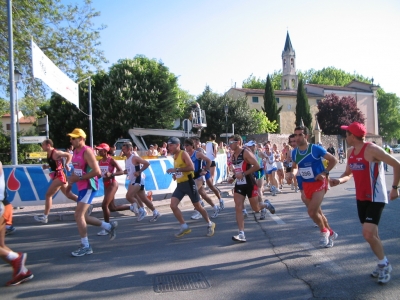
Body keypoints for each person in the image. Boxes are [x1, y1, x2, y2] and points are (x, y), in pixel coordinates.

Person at [330, 122, 400, 284]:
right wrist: (338, 180)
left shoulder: (372, 149)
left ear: (353, 136)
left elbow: (397, 165)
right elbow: (348, 173)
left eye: (346, 134)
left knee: (367, 233)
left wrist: (395, 188)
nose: (344, 136)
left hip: (376, 197)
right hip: (361, 198)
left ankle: (385, 264)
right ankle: (381, 262)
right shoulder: (350, 152)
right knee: (372, 235)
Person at [67, 128, 118, 257]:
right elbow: (76, 169)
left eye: (74, 138)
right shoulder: (75, 151)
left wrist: (78, 178)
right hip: (81, 186)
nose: (71, 140)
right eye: (71, 138)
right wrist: (70, 183)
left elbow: (97, 172)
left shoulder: (87, 151)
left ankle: (86, 246)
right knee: (83, 217)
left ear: (81, 139)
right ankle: (108, 226)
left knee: (78, 216)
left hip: (89, 186)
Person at [291, 126, 338, 248]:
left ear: (306, 136)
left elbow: (333, 160)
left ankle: (324, 232)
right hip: (306, 185)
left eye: (300, 134)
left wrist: (324, 172)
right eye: (295, 135)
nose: (297, 137)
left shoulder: (315, 149)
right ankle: (331, 233)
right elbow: (295, 167)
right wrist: (292, 173)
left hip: (319, 184)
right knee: (317, 212)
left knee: (311, 212)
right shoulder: (294, 152)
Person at [228, 135, 275, 243]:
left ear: (238, 142)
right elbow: (238, 169)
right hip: (239, 184)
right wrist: (233, 177)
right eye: (229, 142)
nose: (230, 145)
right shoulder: (233, 155)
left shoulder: (245, 153)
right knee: (238, 207)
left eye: (232, 142)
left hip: (250, 183)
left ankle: (266, 204)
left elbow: (257, 166)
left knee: (256, 208)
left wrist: (243, 174)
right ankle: (241, 234)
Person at [166, 137, 215, 238]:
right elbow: (180, 169)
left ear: (177, 145)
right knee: (173, 205)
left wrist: (176, 169)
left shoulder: (183, 154)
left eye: (171, 145)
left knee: (197, 206)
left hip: (189, 183)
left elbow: (191, 167)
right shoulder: (174, 156)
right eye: (168, 145)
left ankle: (210, 223)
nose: (169, 147)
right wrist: (175, 173)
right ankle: (184, 226)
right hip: (180, 185)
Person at [0, 161, 34, 286]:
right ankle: (22, 271)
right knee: (1, 246)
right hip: (4, 205)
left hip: (2, 205)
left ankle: (16, 258)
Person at [34, 139, 78, 224]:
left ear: (48, 145)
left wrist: (67, 164)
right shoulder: (48, 153)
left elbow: (69, 155)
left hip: (60, 176)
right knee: (69, 195)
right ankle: (86, 204)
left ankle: (45, 217)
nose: (42, 146)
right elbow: (54, 163)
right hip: (57, 175)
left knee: (48, 195)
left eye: (43, 145)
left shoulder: (56, 153)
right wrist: (47, 166)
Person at [122, 142, 161, 222]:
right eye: (122, 149)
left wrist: (139, 171)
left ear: (129, 149)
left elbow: (147, 163)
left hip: (138, 180)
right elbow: (131, 169)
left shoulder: (134, 157)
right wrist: (126, 171)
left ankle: (141, 210)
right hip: (133, 179)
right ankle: (155, 212)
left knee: (129, 196)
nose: (123, 151)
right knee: (144, 198)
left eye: (124, 149)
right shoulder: (127, 159)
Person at [185, 138, 221, 219]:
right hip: (192, 177)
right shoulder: (186, 154)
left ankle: (199, 211)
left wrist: (206, 170)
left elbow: (209, 161)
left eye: (187, 145)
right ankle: (215, 207)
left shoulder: (197, 154)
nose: (185, 147)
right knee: (204, 195)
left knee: (193, 193)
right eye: (185, 145)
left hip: (199, 177)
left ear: (192, 146)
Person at [96, 143, 125, 235]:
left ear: (105, 151)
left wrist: (112, 174)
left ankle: (107, 228)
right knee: (112, 208)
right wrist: (98, 175)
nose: (98, 151)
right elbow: (99, 174)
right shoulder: (100, 161)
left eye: (100, 150)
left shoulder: (111, 160)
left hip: (113, 184)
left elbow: (121, 171)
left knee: (104, 205)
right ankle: (132, 206)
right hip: (106, 184)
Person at [192, 137, 225, 212]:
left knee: (211, 186)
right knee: (199, 191)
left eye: (193, 142)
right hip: (199, 174)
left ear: (197, 143)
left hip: (205, 171)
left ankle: (220, 199)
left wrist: (206, 169)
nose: (192, 144)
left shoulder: (200, 150)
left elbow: (207, 160)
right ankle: (201, 204)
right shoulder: (193, 151)